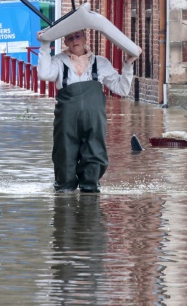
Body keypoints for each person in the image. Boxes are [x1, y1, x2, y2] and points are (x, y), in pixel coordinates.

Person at [37, 30, 139, 193]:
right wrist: (44, 44)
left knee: (95, 152)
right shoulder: (58, 61)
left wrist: (128, 64)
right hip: (66, 120)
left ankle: (90, 192)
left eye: (78, 36)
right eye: (70, 37)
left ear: (85, 37)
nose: (74, 40)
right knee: (64, 152)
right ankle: (65, 192)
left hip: (94, 120)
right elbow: (43, 74)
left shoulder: (101, 63)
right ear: (65, 41)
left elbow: (122, 89)